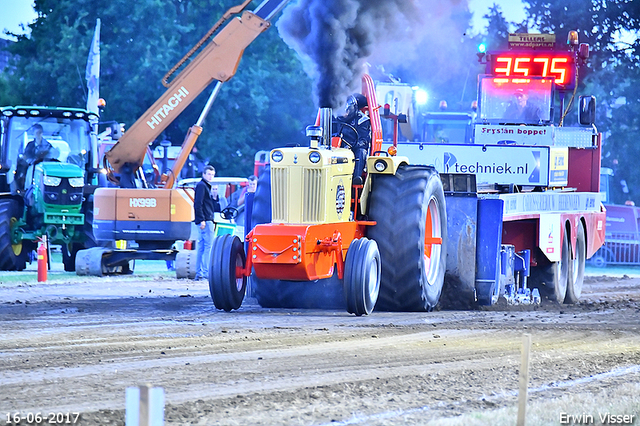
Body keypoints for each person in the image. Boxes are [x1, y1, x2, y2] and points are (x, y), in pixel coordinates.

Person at [333, 93, 371, 185]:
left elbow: (364, 140)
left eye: (346, 111)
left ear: (352, 109)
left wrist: (351, 145)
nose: (343, 114)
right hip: (334, 147)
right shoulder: (331, 119)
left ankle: (356, 178)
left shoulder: (362, 120)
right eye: (340, 111)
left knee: (361, 151)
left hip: (353, 148)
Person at [193, 165, 221, 280]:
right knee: (207, 246)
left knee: (201, 247)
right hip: (206, 220)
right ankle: (205, 273)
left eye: (212, 175)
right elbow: (198, 204)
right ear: (204, 174)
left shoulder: (204, 186)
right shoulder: (202, 186)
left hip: (205, 220)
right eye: (209, 174)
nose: (211, 177)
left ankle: (199, 272)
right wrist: (202, 219)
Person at [15, 124, 60, 190]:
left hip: (44, 169)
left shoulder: (48, 145)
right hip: (31, 168)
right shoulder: (30, 145)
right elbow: (26, 156)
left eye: (40, 133)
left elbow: (53, 155)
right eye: (37, 133)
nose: (38, 135)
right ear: (34, 134)